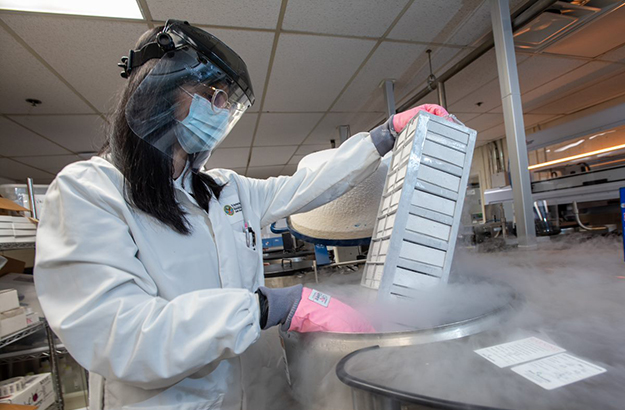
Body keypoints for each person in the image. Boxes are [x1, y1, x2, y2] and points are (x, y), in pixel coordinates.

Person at [34, 20, 453, 410]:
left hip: (255, 396)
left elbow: (305, 185)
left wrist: (383, 136)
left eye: (224, 100)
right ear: (157, 93)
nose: (218, 110)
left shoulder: (224, 189)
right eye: (209, 95)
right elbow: (120, 337)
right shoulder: (89, 192)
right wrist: (267, 307)